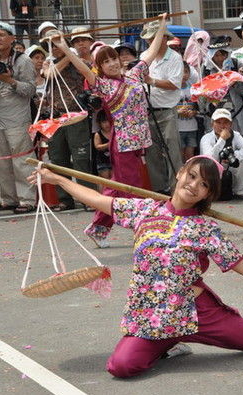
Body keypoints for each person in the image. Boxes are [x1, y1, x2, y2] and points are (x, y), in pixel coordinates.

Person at [27, 155, 243, 378]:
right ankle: (168, 344)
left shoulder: (206, 229)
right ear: (181, 173)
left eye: (204, 184)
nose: (194, 185)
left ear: (209, 194)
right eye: (192, 176)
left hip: (198, 312)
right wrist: (59, 181)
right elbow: (94, 198)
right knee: (121, 367)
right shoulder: (144, 209)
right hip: (153, 316)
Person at [48, 15, 168, 247]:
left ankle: (98, 228)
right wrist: (65, 48)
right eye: (106, 62)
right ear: (100, 67)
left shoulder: (133, 74)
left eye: (113, 58)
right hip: (122, 143)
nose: (112, 63)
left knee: (117, 189)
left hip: (139, 141)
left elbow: (151, 52)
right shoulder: (102, 84)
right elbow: (83, 68)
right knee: (131, 191)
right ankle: (141, 232)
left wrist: (161, 27)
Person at [0, 22, 37, 215]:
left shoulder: (23, 61)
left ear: (12, 39)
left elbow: (30, 90)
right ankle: (8, 199)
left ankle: (28, 199)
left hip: (18, 117)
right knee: (1, 161)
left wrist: (9, 80)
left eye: (2, 35)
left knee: (22, 160)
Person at [41, 29, 96, 212]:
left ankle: (88, 198)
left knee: (80, 159)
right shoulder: (48, 63)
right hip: (54, 117)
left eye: (57, 44)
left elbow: (89, 70)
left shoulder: (77, 61)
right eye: (51, 45)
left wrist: (69, 53)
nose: (54, 48)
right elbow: (50, 74)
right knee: (58, 160)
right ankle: (65, 199)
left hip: (76, 116)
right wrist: (67, 53)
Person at [140, 19, 184, 194]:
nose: (152, 42)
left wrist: (152, 81)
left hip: (167, 111)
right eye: (149, 39)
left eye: (155, 38)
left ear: (165, 38)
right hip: (147, 110)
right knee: (151, 153)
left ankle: (176, 190)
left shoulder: (175, 57)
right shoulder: (144, 56)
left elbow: (175, 84)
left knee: (173, 151)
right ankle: (159, 191)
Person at [200, 108, 243, 201]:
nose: (222, 126)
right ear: (212, 124)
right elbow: (209, 159)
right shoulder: (206, 138)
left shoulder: (235, 135)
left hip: (227, 166)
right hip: (212, 170)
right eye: (218, 122)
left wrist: (233, 155)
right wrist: (222, 140)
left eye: (225, 122)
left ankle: (240, 191)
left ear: (231, 124)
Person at [177, 62, 198, 162]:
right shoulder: (172, 89)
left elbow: (198, 108)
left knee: (190, 155)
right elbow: (167, 108)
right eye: (181, 72)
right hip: (178, 129)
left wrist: (193, 112)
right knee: (179, 155)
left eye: (186, 72)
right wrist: (178, 112)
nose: (184, 75)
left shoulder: (193, 88)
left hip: (192, 128)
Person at [93, 110, 112, 182]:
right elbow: (97, 146)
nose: (107, 124)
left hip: (114, 161)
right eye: (104, 122)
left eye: (108, 121)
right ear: (99, 123)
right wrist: (109, 144)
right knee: (106, 181)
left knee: (115, 182)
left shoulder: (114, 132)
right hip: (102, 162)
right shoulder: (98, 134)